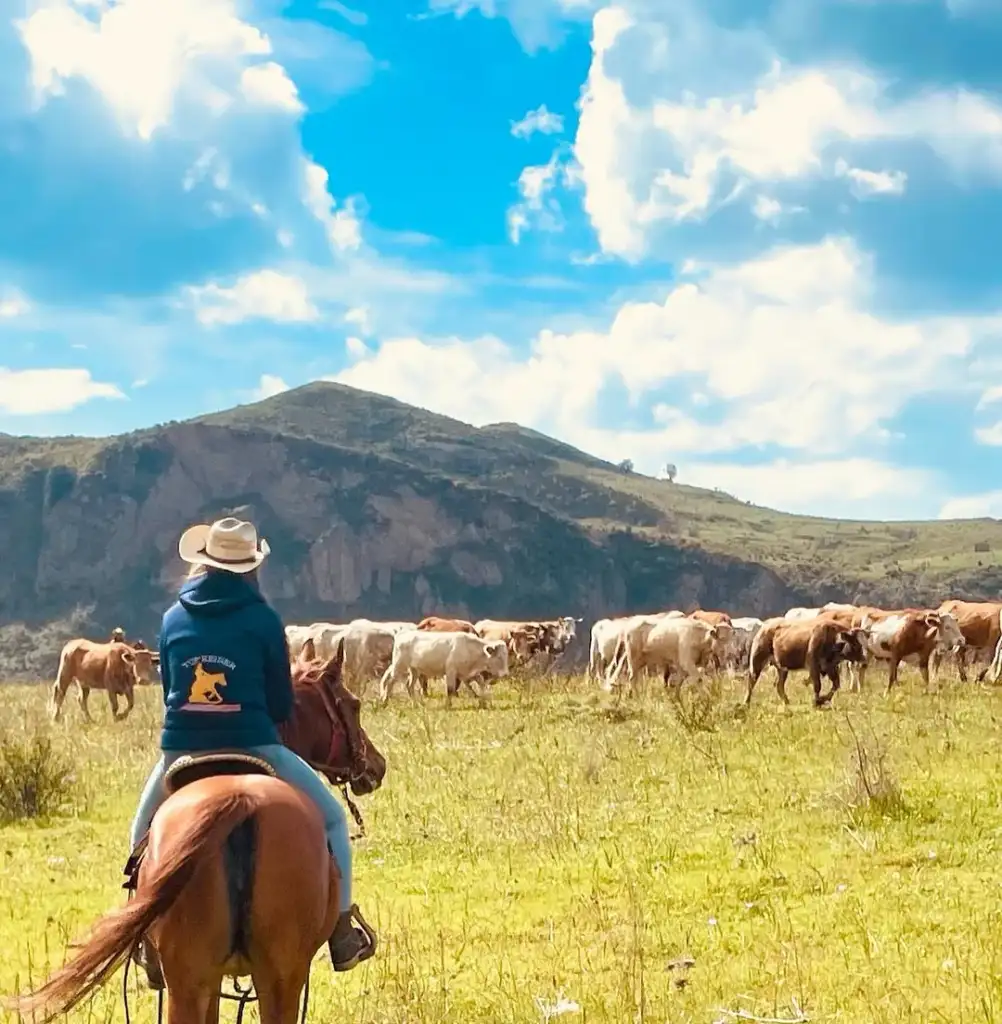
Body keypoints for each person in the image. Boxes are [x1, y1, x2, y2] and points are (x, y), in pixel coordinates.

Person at [127, 517, 375, 987]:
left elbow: (168, 693)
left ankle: (142, 932)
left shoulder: (172, 618)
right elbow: (281, 705)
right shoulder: (263, 619)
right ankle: (342, 929)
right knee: (334, 821)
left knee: (141, 835)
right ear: (250, 567)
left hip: (181, 750)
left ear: (204, 561)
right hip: (256, 745)